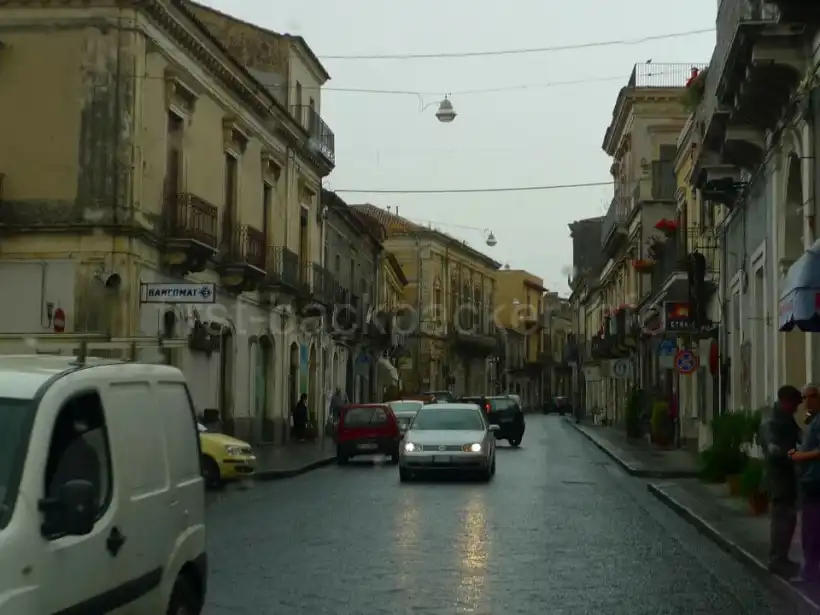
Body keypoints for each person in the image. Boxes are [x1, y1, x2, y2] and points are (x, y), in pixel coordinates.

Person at [760, 384, 804, 577]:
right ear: (786, 402)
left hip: (788, 476)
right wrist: (794, 455)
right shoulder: (771, 421)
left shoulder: (786, 418)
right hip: (779, 477)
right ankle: (777, 560)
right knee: (781, 520)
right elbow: (773, 449)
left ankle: (783, 558)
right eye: (794, 404)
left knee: (789, 519)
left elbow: (801, 437)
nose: (797, 408)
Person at [790, 384, 820, 582]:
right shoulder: (813, 419)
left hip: (816, 481)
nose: (806, 402)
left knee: (812, 529)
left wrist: (800, 456)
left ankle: (810, 572)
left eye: (809, 397)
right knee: (810, 528)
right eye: (804, 397)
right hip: (810, 480)